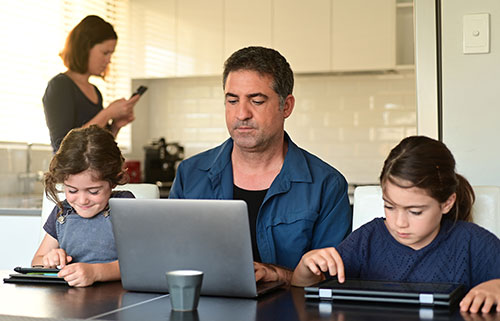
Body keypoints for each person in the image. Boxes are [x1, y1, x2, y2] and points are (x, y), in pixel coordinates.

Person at [169, 46, 352, 285]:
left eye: (256, 101)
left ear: (286, 106)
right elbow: (171, 258)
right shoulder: (189, 174)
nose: (241, 113)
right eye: (232, 101)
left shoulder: (327, 185)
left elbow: (329, 279)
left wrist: (276, 274)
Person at [291, 136, 500, 313]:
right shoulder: (368, 238)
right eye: (389, 207)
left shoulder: (473, 242)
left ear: (446, 203)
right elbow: (302, 296)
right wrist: (305, 269)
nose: (399, 223)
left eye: (415, 211)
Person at [32, 125, 135, 287]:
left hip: (114, 301)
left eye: (93, 191)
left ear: (114, 181)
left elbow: (140, 263)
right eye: (72, 190)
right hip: (68, 303)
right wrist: (48, 261)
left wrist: (96, 272)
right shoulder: (62, 212)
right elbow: (36, 262)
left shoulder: (124, 206)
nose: (82, 200)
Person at [43, 15, 140, 153]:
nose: (108, 60)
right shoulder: (60, 86)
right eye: (105, 53)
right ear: (85, 48)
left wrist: (115, 126)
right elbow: (64, 148)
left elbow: (97, 148)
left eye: (111, 54)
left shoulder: (95, 91)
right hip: (70, 175)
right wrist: (107, 113)